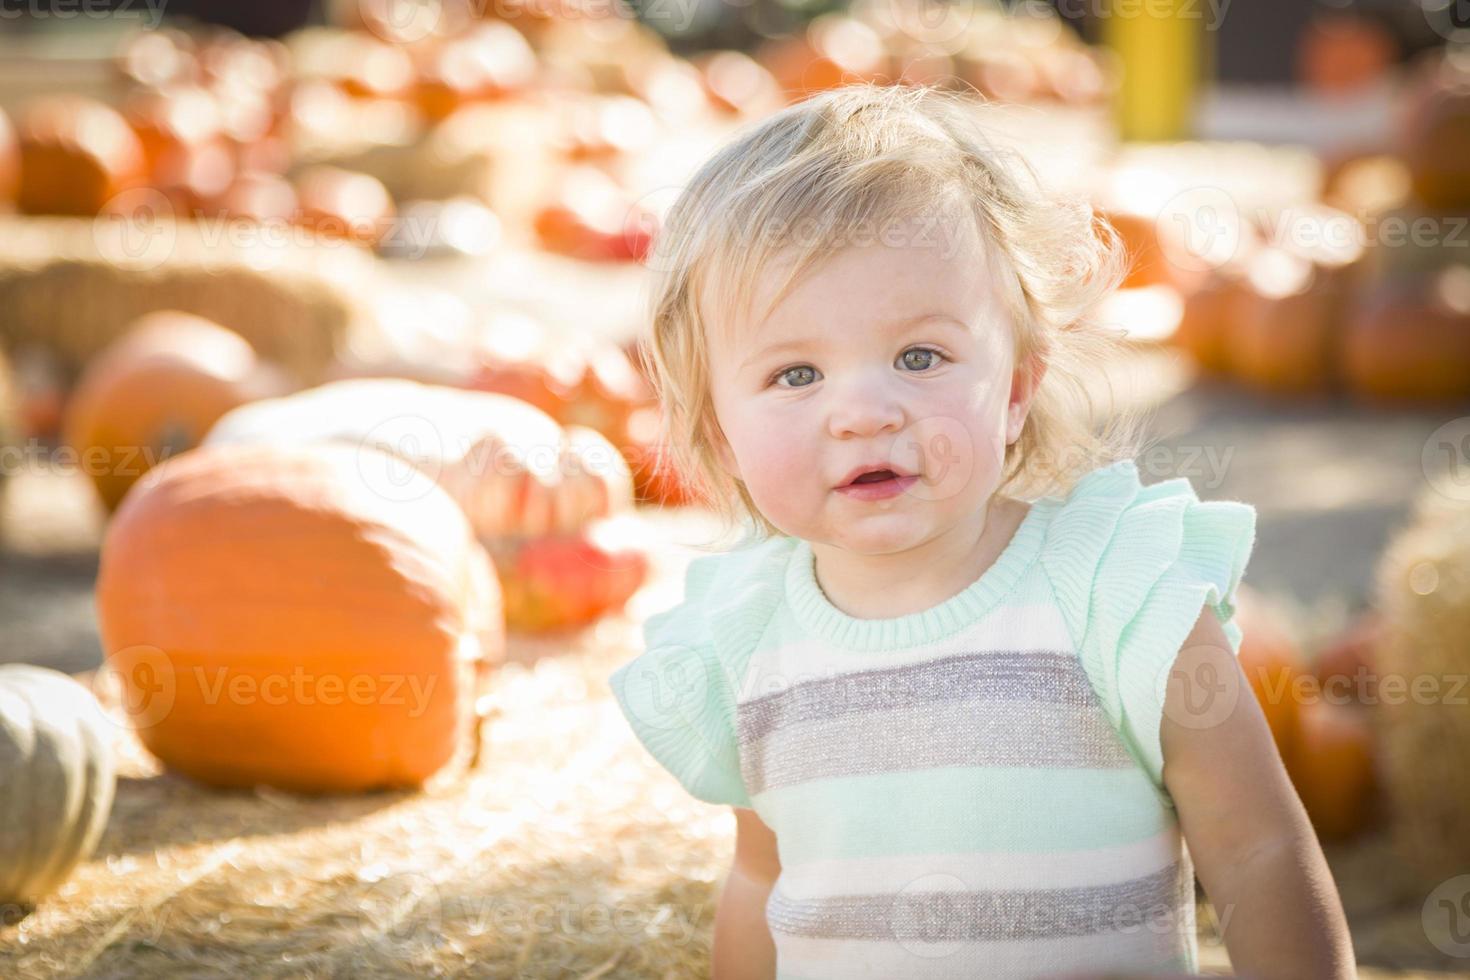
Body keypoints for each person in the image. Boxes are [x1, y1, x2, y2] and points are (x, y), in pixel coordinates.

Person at [609, 83, 1355, 979]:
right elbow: (759, 880)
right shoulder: (743, 635)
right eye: (795, 373)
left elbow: (1259, 852)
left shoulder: (1115, 590)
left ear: (1012, 390)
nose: (861, 413)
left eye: (919, 357)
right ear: (716, 423)